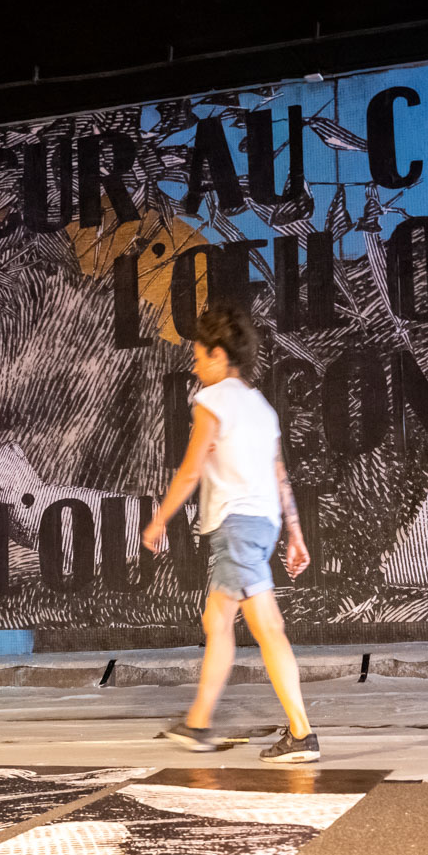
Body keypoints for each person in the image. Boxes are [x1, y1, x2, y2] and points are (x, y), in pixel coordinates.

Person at [141, 303, 319, 763]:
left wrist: (160, 519)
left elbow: (190, 471)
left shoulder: (214, 401)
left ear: (220, 356)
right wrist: (295, 534)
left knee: (267, 627)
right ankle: (198, 722)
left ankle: (300, 734)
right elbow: (280, 476)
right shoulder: (261, 408)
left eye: (200, 357)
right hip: (261, 524)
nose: (195, 366)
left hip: (236, 526)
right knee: (217, 621)